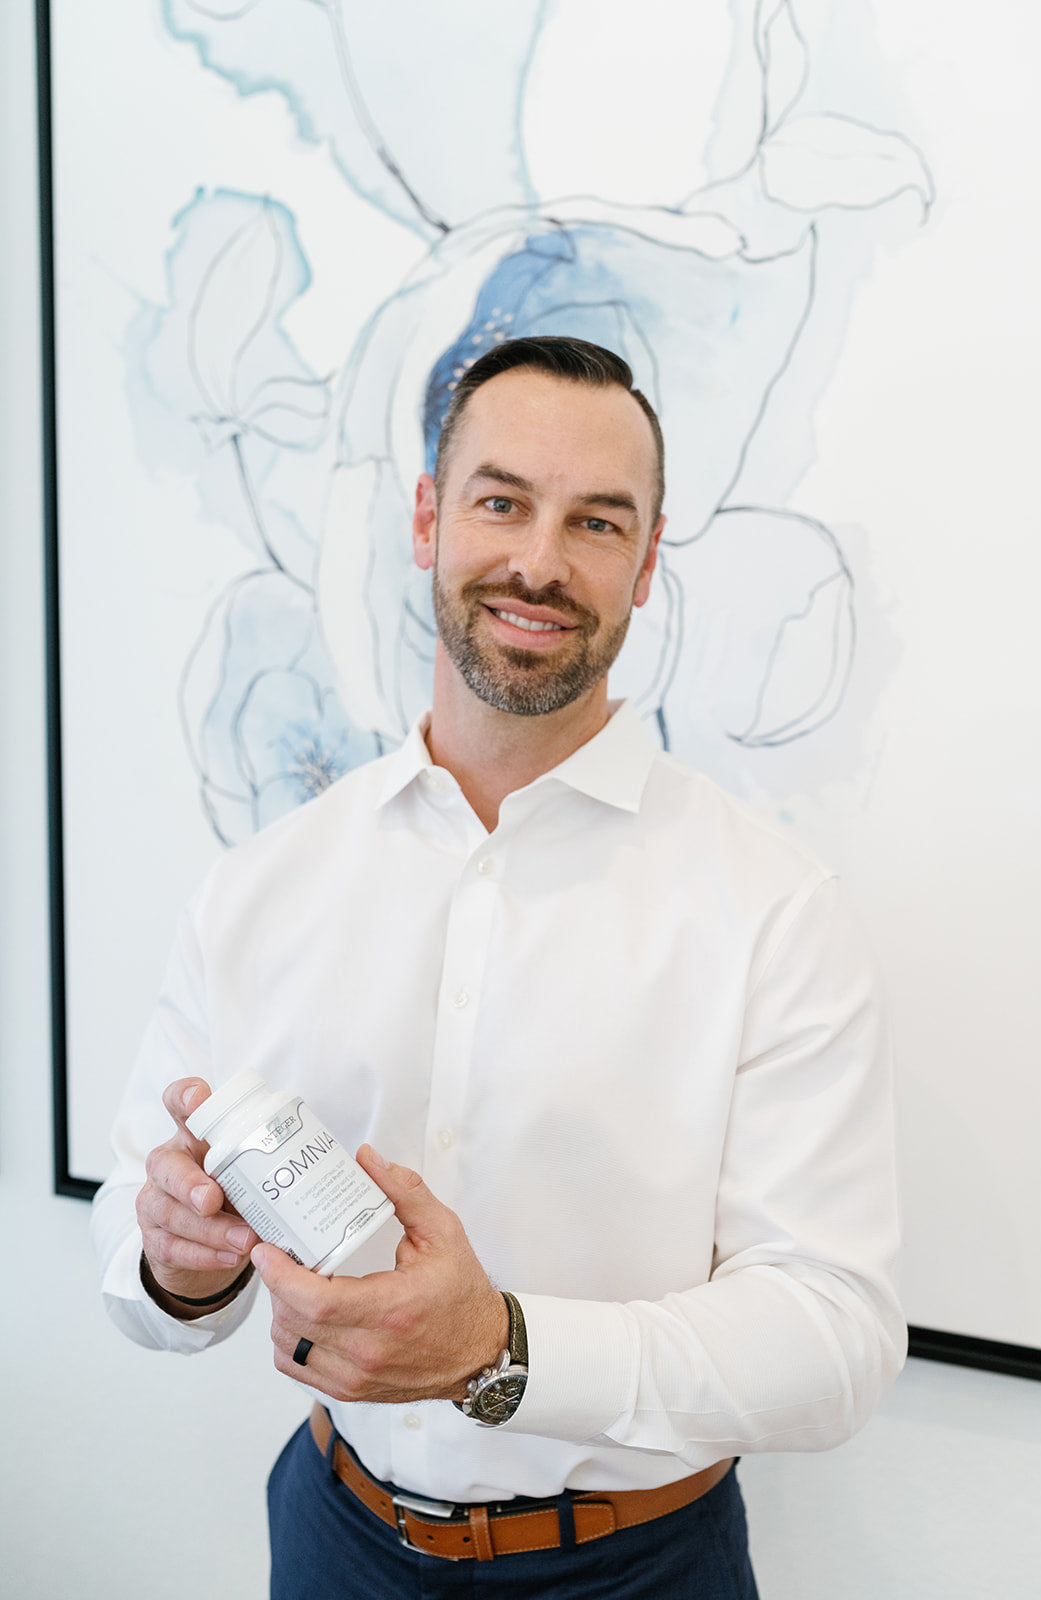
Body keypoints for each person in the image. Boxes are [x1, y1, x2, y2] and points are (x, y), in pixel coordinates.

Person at [92, 335, 905, 1599]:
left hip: (638, 1569)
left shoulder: (774, 911)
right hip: (332, 1537)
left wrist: (501, 1346)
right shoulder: (260, 886)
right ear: (426, 517)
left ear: (645, 562)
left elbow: (835, 1340)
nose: (538, 560)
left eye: (595, 521)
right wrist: (177, 1268)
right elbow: (133, 1268)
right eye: (500, 501)